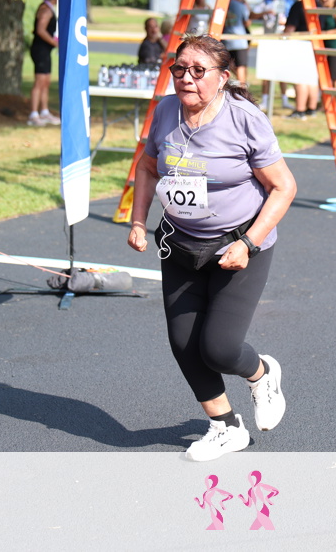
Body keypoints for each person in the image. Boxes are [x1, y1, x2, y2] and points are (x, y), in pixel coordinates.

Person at [126, 34, 296, 462]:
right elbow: (147, 167)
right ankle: (225, 426)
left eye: (199, 71)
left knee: (218, 348)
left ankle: (262, 375)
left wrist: (248, 243)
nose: (186, 78)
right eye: (179, 69)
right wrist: (138, 220)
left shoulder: (245, 119)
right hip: (179, 244)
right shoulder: (165, 111)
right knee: (184, 344)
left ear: (222, 77)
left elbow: (283, 187)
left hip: (237, 247)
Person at [28, 0, 61, 127]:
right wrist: (54, 42)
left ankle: (44, 111)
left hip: (45, 50)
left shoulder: (48, 8)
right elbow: (40, 30)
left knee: (46, 81)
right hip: (40, 50)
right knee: (39, 82)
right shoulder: (46, 10)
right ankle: (33, 114)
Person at [283, 0, 320, 119]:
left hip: (300, 45)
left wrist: (283, 39)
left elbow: (290, 29)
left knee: (300, 79)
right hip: (316, 45)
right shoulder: (319, 5)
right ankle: (312, 108)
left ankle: (300, 110)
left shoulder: (299, 6)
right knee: (311, 79)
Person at [222, 0, 251, 84]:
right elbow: (246, 22)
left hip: (226, 41)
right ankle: (242, 88)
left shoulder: (224, 5)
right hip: (240, 41)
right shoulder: (241, 6)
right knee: (241, 66)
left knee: (228, 66)